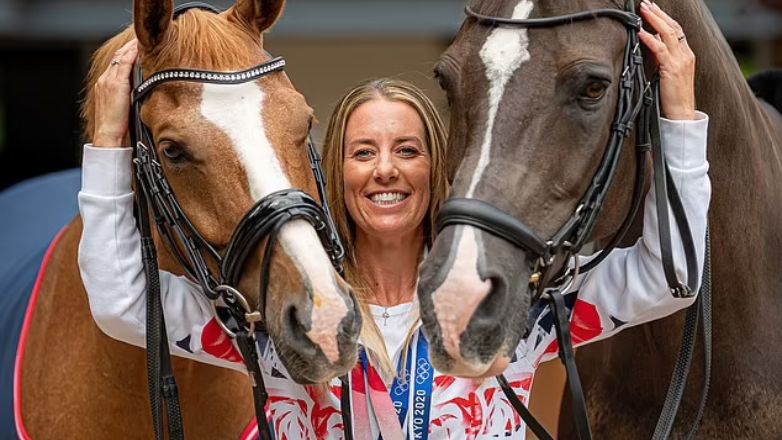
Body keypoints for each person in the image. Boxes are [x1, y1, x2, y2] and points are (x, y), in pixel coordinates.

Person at [78, 3, 709, 439]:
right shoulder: (280, 330)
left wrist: (680, 116)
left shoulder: (512, 312)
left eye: (407, 151)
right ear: (334, 174)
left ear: (436, 168)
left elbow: (671, 275)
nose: (385, 170)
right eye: (362, 153)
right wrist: (109, 142)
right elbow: (122, 303)